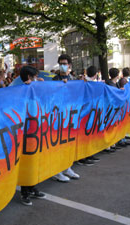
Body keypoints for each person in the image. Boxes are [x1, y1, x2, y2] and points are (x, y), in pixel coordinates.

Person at [8, 65, 46, 206]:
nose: (36, 78)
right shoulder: (17, 89)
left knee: (35, 159)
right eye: (34, 76)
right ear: (29, 77)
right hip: (25, 132)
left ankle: (33, 186)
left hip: (35, 130)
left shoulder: (35, 87)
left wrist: (42, 86)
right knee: (27, 160)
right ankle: (25, 192)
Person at [52, 54, 81, 182]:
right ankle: (57, 171)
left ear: (69, 65)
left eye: (65, 63)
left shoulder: (72, 79)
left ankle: (67, 167)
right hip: (58, 117)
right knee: (58, 145)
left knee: (68, 144)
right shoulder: (54, 79)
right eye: (61, 63)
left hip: (71, 116)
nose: (63, 66)